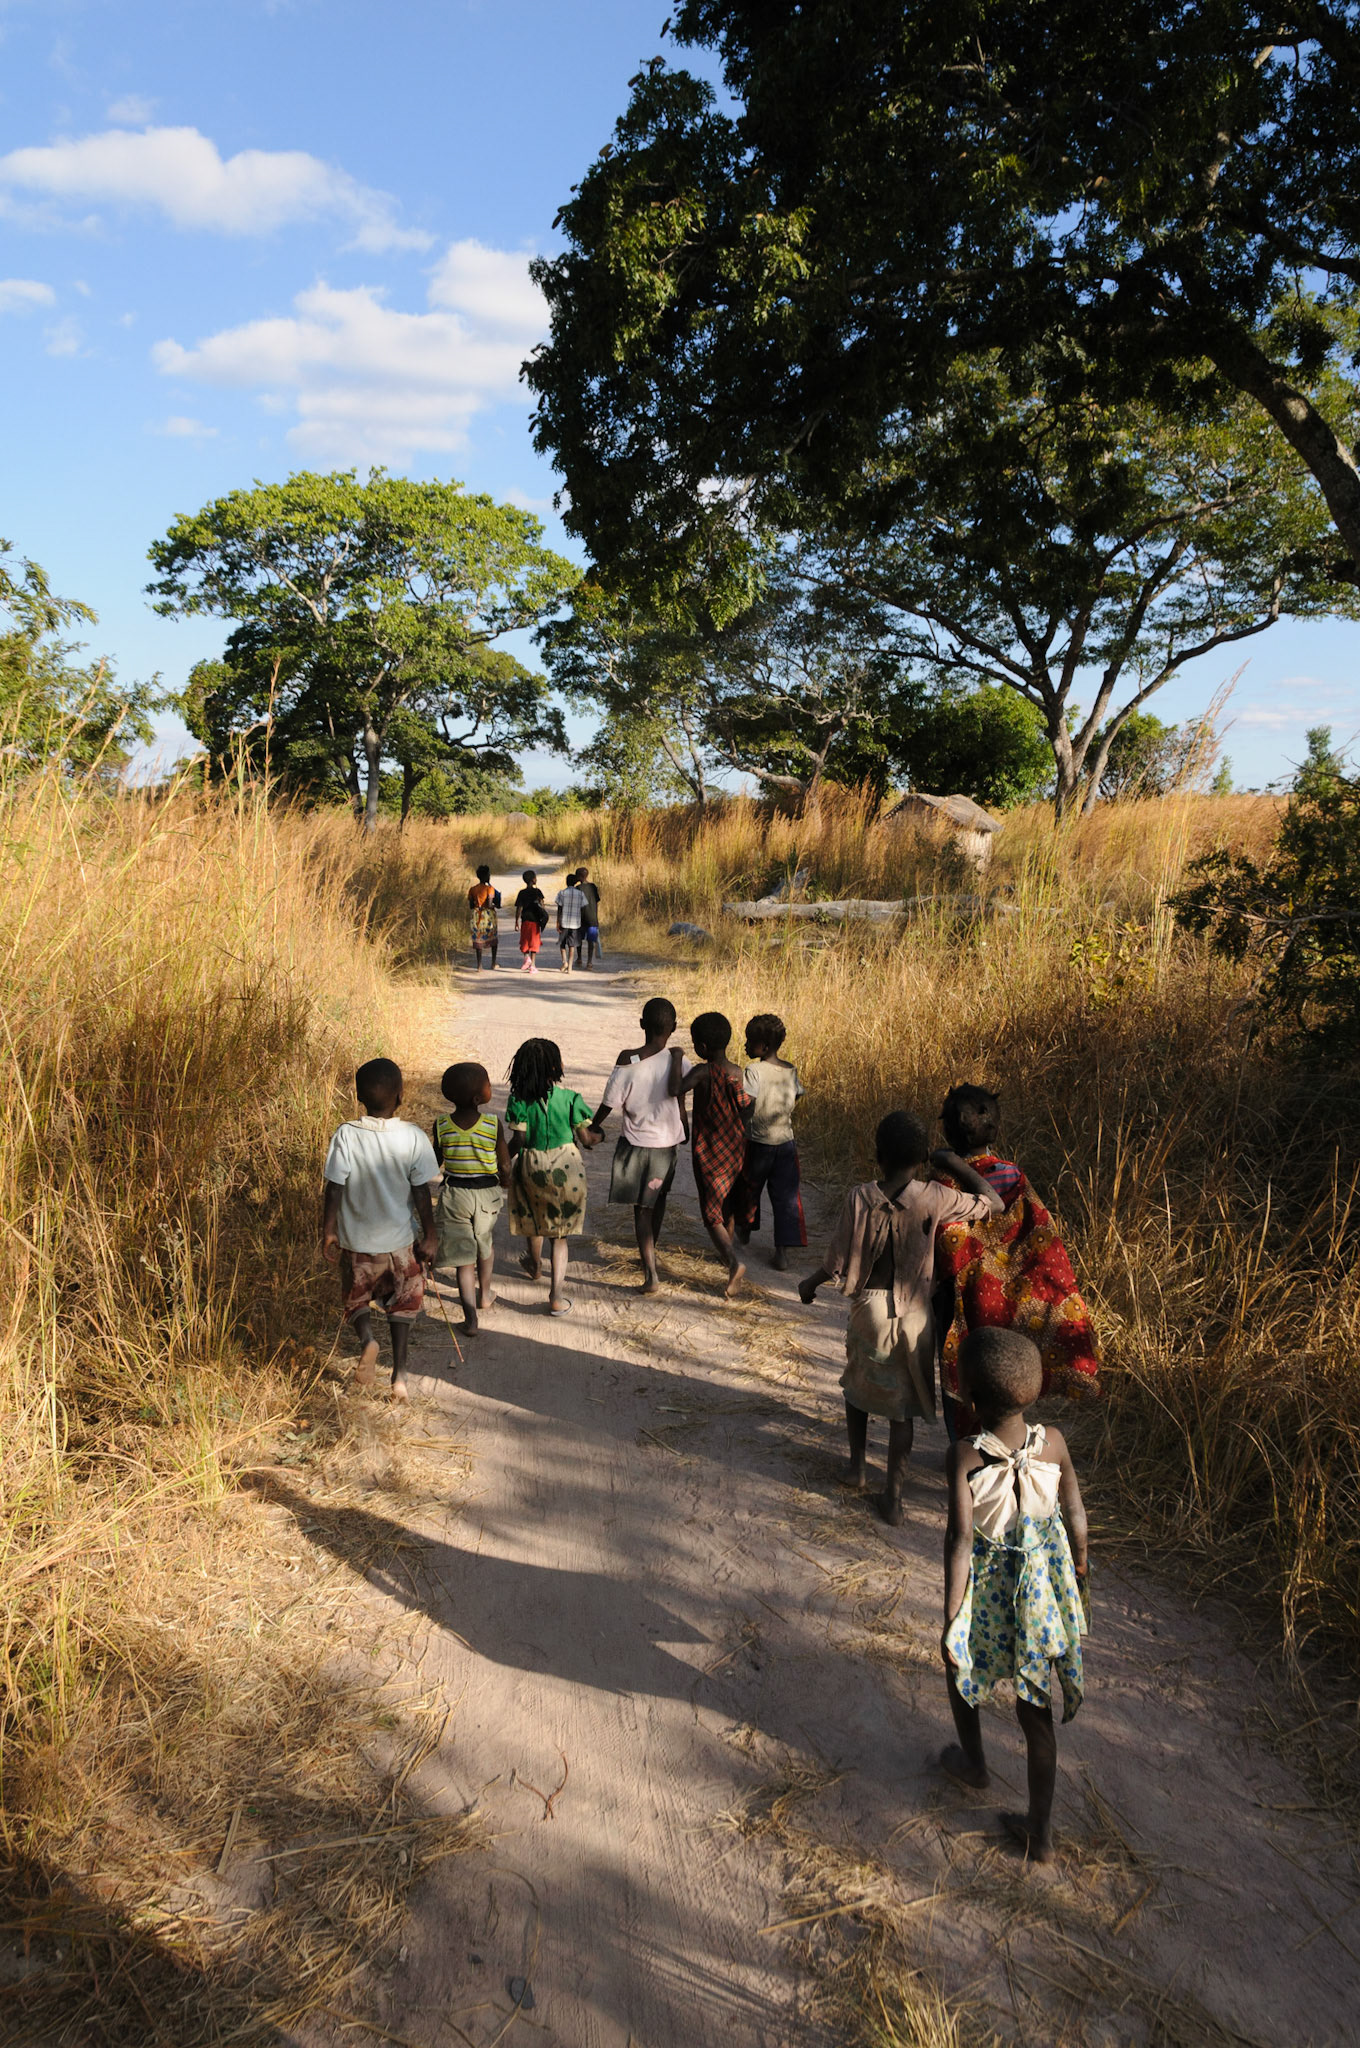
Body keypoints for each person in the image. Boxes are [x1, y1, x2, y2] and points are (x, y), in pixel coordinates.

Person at [798, 1110, 1001, 1525]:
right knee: (902, 1411)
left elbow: (836, 1260)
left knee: (856, 1391)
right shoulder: (934, 1197)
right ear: (923, 1157)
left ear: (877, 1155)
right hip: (915, 1317)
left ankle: (856, 1468)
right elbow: (992, 1202)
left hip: (869, 1310)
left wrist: (810, 1284)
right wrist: (954, 1163)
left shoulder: (860, 1196)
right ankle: (893, 1496)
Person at [940, 1327, 1089, 1865]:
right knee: (1036, 1711)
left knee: (961, 1666)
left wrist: (953, 1613)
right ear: (1037, 1392)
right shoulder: (1053, 1442)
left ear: (969, 1399)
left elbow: (960, 1540)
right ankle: (1041, 1833)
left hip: (989, 1599)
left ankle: (975, 1764)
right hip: (1040, 1600)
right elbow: (1076, 1514)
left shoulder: (964, 1456)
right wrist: (1080, 1564)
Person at [932, 1084, 1102, 1438]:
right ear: (996, 1128)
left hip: (961, 1302)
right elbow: (1043, 1241)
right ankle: (1007, 1441)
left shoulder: (944, 1181)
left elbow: (944, 1248)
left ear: (945, 1130)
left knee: (964, 1374)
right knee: (1005, 1372)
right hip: (1009, 1303)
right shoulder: (1013, 1176)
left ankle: (965, 1449)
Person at [321, 1057, 440, 1404]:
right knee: (404, 1305)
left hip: (358, 1244)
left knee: (355, 1297)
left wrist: (329, 1231)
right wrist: (430, 1235)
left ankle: (367, 1340)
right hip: (400, 1245)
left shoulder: (346, 1135)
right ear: (402, 1095)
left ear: (359, 1096)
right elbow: (421, 1191)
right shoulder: (413, 1137)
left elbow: (334, 1188)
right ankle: (400, 1379)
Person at [589, 996, 691, 1293]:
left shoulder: (628, 1058)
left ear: (642, 1024)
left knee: (641, 1210)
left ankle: (650, 1274)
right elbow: (682, 1098)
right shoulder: (678, 1059)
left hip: (636, 1146)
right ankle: (650, 1255)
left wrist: (594, 1125)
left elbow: (610, 1102)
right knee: (657, 1202)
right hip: (667, 1146)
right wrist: (685, 1129)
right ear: (674, 1027)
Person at [505, 1037, 602, 1314]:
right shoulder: (571, 1099)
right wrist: (599, 1136)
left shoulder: (518, 1100)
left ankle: (534, 1264)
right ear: (557, 1067)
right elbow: (586, 1138)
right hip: (567, 1167)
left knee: (535, 1216)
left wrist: (502, 1162)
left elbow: (519, 1139)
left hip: (532, 1164)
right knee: (560, 1236)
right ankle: (556, 1296)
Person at [668, 1011, 752, 1295]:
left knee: (710, 1213)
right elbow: (747, 1107)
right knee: (726, 1201)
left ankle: (732, 1260)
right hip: (734, 1149)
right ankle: (725, 1249)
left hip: (710, 1151)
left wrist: (677, 1057)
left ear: (701, 1048)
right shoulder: (737, 1072)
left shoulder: (703, 1072)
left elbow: (675, 1088)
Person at [432, 1061, 511, 1335]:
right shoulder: (492, 1124)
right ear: (479, 1098)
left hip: (455, 1195)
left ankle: (470, 1320)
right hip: (487, 1194)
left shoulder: (441, 1124)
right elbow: (504, 1165)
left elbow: (436, 1161)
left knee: (464, 1259)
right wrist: (508, 1183)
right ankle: (485, 1294)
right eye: (488, 1083)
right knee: (484, 1245)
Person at [733, 1012, 807, 1271]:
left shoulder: (753, 1070)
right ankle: (782, 1253)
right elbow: (797, 1096)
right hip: (786, 1143)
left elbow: (747, 1103)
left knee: (749, 1189)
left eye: (749, 1042)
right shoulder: (790, 1069)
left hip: (757, 1142)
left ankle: (743, 1232)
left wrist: (738, 1121)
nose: (744, 1046)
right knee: (785, 1197)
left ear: (763, 1047)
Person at [467, 863, 501, 971]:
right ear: (487, 876)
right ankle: (493, 963)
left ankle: (479, 965)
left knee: (478, 939)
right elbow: (490, 904)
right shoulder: (489, 889)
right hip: (488, 915)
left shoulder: (472, 889)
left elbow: (471, 905)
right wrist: (496, 905)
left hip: (477, 915)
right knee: (493, 939)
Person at [515, 870, 546, 975]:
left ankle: (526, 957)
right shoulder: (538, 892)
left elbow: (519, 908)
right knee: (534, 943)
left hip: (525, 921)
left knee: (524, 941)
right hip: (535, 921)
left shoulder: (522, 893)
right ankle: (532, 966)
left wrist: (516, 921)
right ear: (534, 880)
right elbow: (542, 905)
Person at [555, 869, 586, 973]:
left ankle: (564, 962)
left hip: (564, 922)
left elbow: (559, 908)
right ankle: (571, 966)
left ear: (566, 882)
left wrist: (558, 922)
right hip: (575, 924)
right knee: (572, 945)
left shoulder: (562, 893)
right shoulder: (580, 894)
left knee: (562, 944)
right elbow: (583, 907)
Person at [574, 863, 602, 969]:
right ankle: (589, 961)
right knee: (591, 941)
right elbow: (597, 900)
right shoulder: (593, 887)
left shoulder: (578, 888)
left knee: (578, 939)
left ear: (580, 877)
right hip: (592, 917)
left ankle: (579, 958)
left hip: (580, 918)